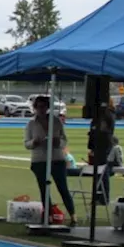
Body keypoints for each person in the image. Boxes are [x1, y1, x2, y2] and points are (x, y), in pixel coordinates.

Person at [24, 95, 75, 225]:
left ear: (48, 107)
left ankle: (73, 216)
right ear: (35, 108)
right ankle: (49, 216)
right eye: (39, 107)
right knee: (44, 189)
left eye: (44, 106)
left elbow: (64, 139)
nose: (41, 109)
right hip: (39, 160)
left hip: (57, 158)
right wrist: (34, 143)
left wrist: (58, 142)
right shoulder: (31, 123)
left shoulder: (56, 121)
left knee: (63, 188)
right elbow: (26, 143)